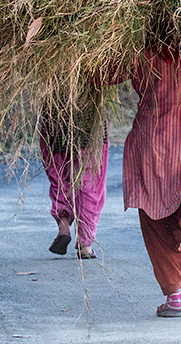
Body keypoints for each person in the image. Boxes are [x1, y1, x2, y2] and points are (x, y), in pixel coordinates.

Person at [107, 44, 181, 317]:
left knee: (156, 219)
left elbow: (104, 75)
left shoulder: (138, 49)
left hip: (151, 145)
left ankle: (174, 296)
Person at [39, 95, 108, 260]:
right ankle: (85, 245)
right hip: (89, 110)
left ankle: (63, 226)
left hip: (55, 110)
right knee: (90, 179)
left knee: (58, 173)